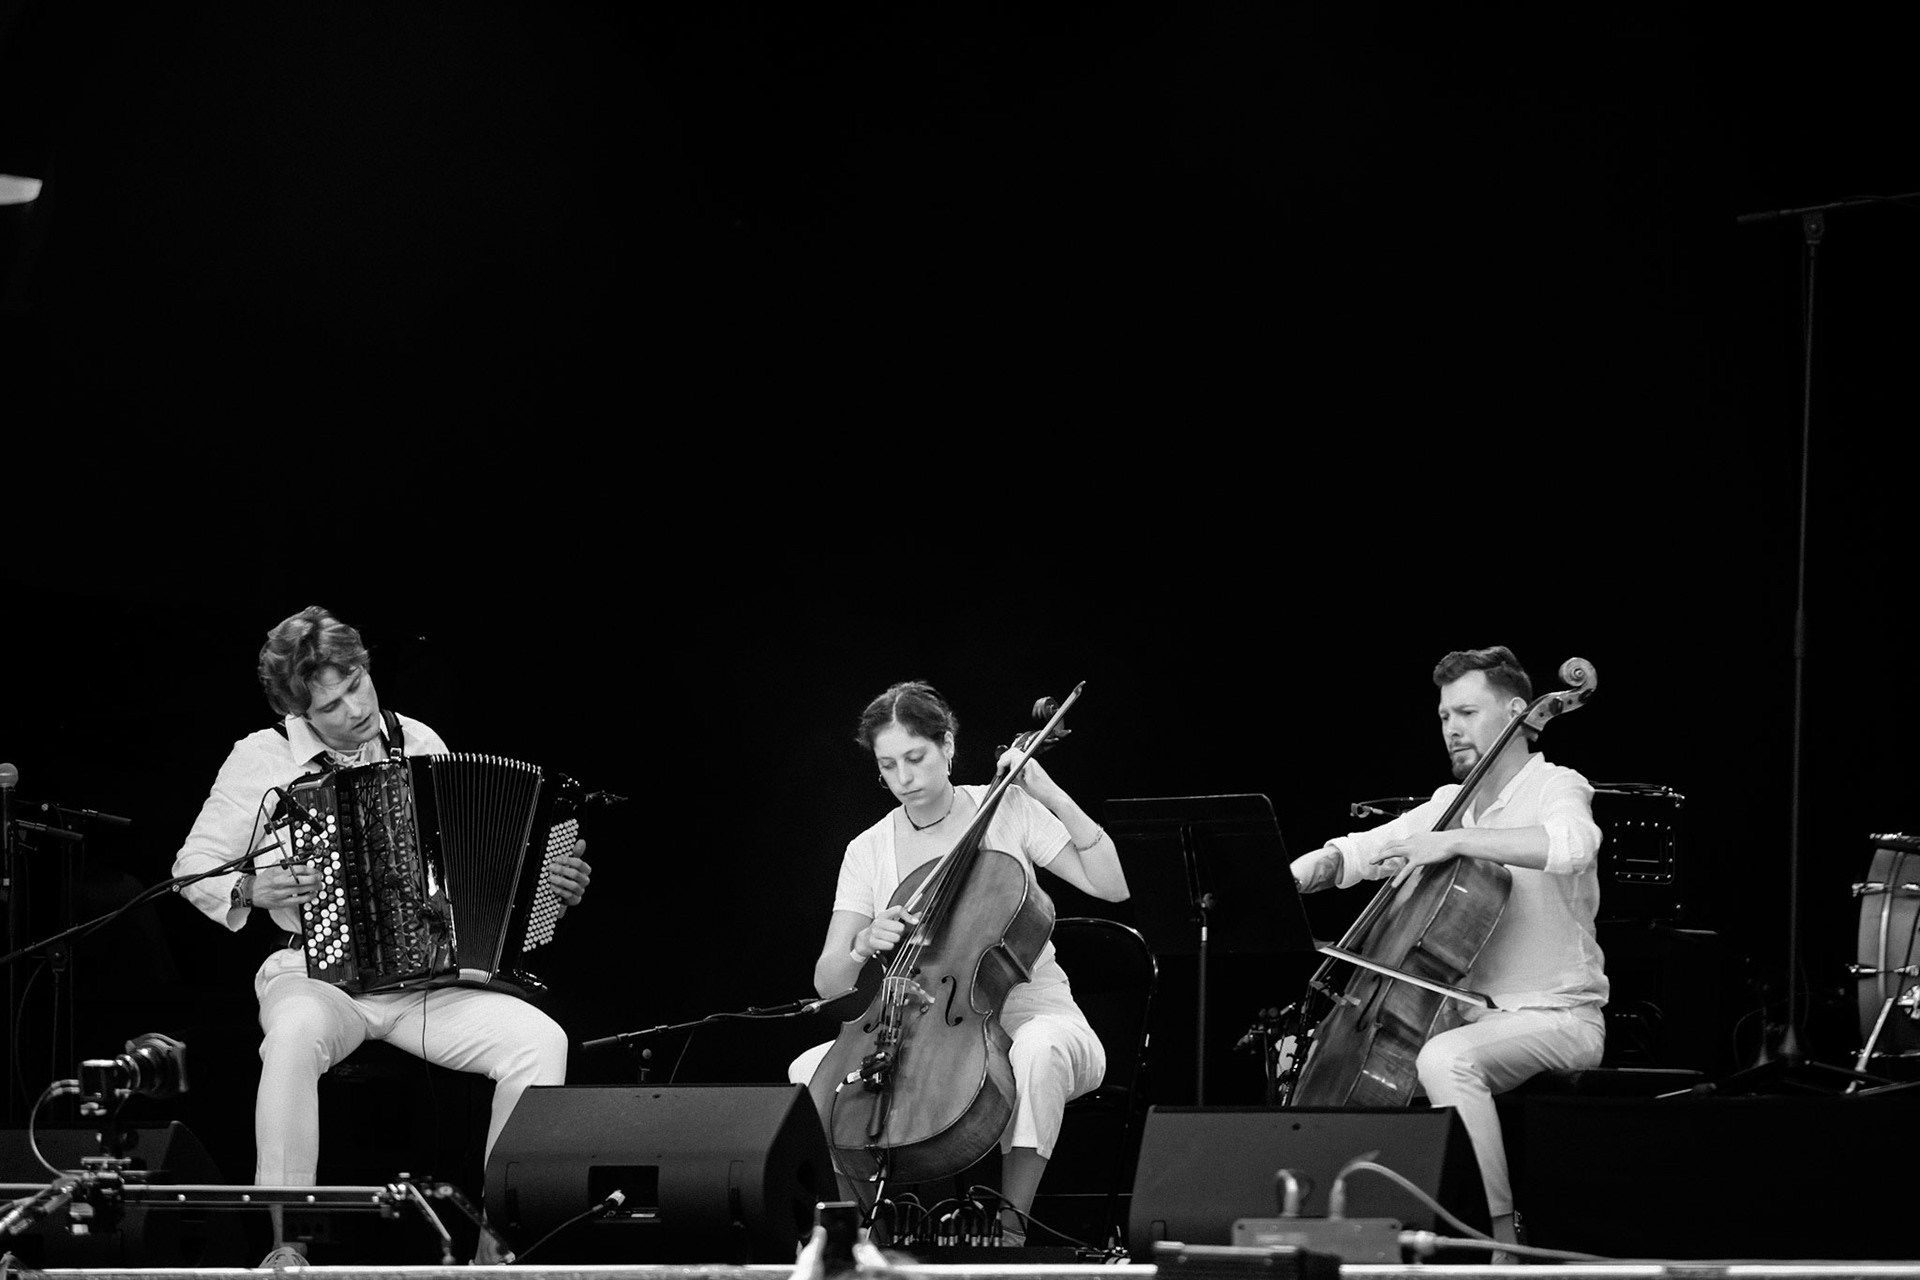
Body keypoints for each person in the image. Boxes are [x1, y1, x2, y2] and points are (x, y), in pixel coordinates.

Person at [170, 606, 593, 1262]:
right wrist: (251, 890)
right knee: (292, 1037)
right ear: (301, 713)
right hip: (314, 971)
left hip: (423, 979)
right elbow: (190, 870)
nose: (354, 711)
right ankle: (286, 1248)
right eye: (331, 705)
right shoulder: (262, 760)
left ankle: (499, 1245)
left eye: (357, 686)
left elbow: (470, 872)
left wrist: (547, 893)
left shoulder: (417, 740)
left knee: (541, 1041)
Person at [1287, 646, 1606, 1257]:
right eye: (1443, 717)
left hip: (1558, 1016)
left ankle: (1501, 1237)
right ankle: (1347, 1233)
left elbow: (1573, 847)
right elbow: (1356, 854)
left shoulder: (1555, 785)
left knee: (1444, 1059)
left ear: (1519, 712)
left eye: (1466, 711)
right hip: (1470, 1011)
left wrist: (1453, 841)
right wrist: (1294, 874)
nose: (1451, 729)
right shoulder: (1445, 803)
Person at [787, 681, 1131, 1246]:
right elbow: (829, 979)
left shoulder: (1006, 810)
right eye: (888, 766)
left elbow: (1112, 885)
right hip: (919, 1025)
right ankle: (857, 1236)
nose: (903, 779)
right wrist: (863, 943)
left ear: (947, 746)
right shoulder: (868, 849)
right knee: (809, 1073)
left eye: (916, 758)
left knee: (1037, 1049)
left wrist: (1048, 793)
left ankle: (1009, 1230)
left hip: (1033, 1009)